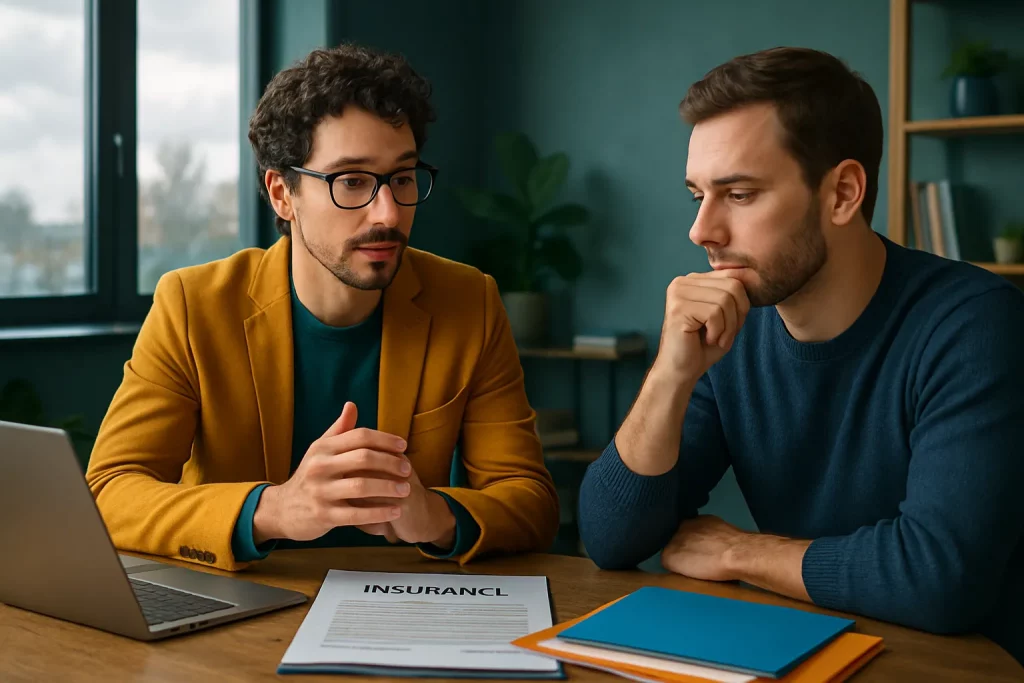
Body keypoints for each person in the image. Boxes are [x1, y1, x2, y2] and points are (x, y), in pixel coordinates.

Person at [578, 47, 1024, 664]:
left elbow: (941, 577)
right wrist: (670, 375)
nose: (701, 231)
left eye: (738, 194)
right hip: (807, 649)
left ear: (842, 192)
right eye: (696, 196)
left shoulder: (974, 322)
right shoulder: (735, 325)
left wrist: (741, 552)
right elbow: (609, 537)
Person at [86, 43, 559, 572]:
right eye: (351, 181)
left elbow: (530, 500)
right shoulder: (193, 306)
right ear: (282, 195)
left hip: (408, 606)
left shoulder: (468, 301)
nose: (388, 212)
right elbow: (109, 492)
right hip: (243, 606)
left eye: (401, 178)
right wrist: (273, 509)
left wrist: (436, 515)